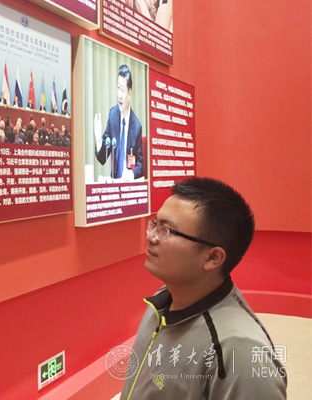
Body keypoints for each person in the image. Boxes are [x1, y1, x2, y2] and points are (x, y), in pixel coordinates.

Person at [119, 178, 286, 400]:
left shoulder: (239, 352)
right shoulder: (163, 300)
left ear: (213, 257)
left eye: (166, 230)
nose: (151, 236)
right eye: (155, 224)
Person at [93, 64, 143, 181]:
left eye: (123, 90)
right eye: (118, 88)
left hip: (128, 185)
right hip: (115, 184)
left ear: (129, 93)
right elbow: (102, 158)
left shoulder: (136, 126)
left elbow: (140, 165)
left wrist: (131, 174)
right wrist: (99, 140)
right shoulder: (113, 116)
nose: (119, 95)